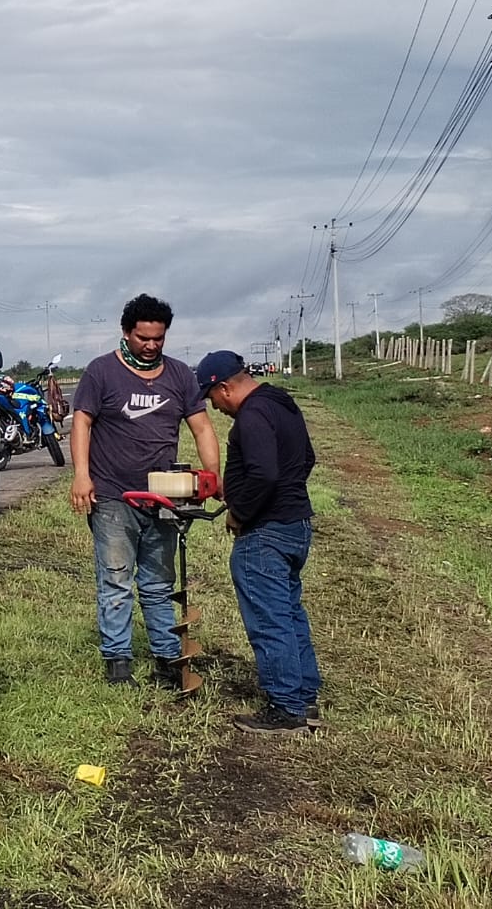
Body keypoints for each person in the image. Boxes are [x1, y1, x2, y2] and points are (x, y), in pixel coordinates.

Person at [69, 293, 220, 688]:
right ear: (126, 333)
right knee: (116, 581)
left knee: (158, 582)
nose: (151, 345)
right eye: (143, 338)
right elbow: (82, 423)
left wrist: (212, 476)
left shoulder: (180, 375)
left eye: (158, 338)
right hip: (113, 496)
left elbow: (202, 427)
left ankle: (167, 658)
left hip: (164, 498)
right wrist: (82, 475)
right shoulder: (101, 372)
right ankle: (118, 661)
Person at [195, 350, 321, 734]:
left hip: (265, 532)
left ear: (224, 387)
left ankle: (285, 708)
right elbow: (307, 459)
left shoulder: (252, 415)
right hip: (296, 523)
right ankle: (305, 697)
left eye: (211, 398)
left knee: (270, 621)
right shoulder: (283, 404)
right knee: (290, 612)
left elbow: (264, 474)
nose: (214, 407)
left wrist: (240, 511)